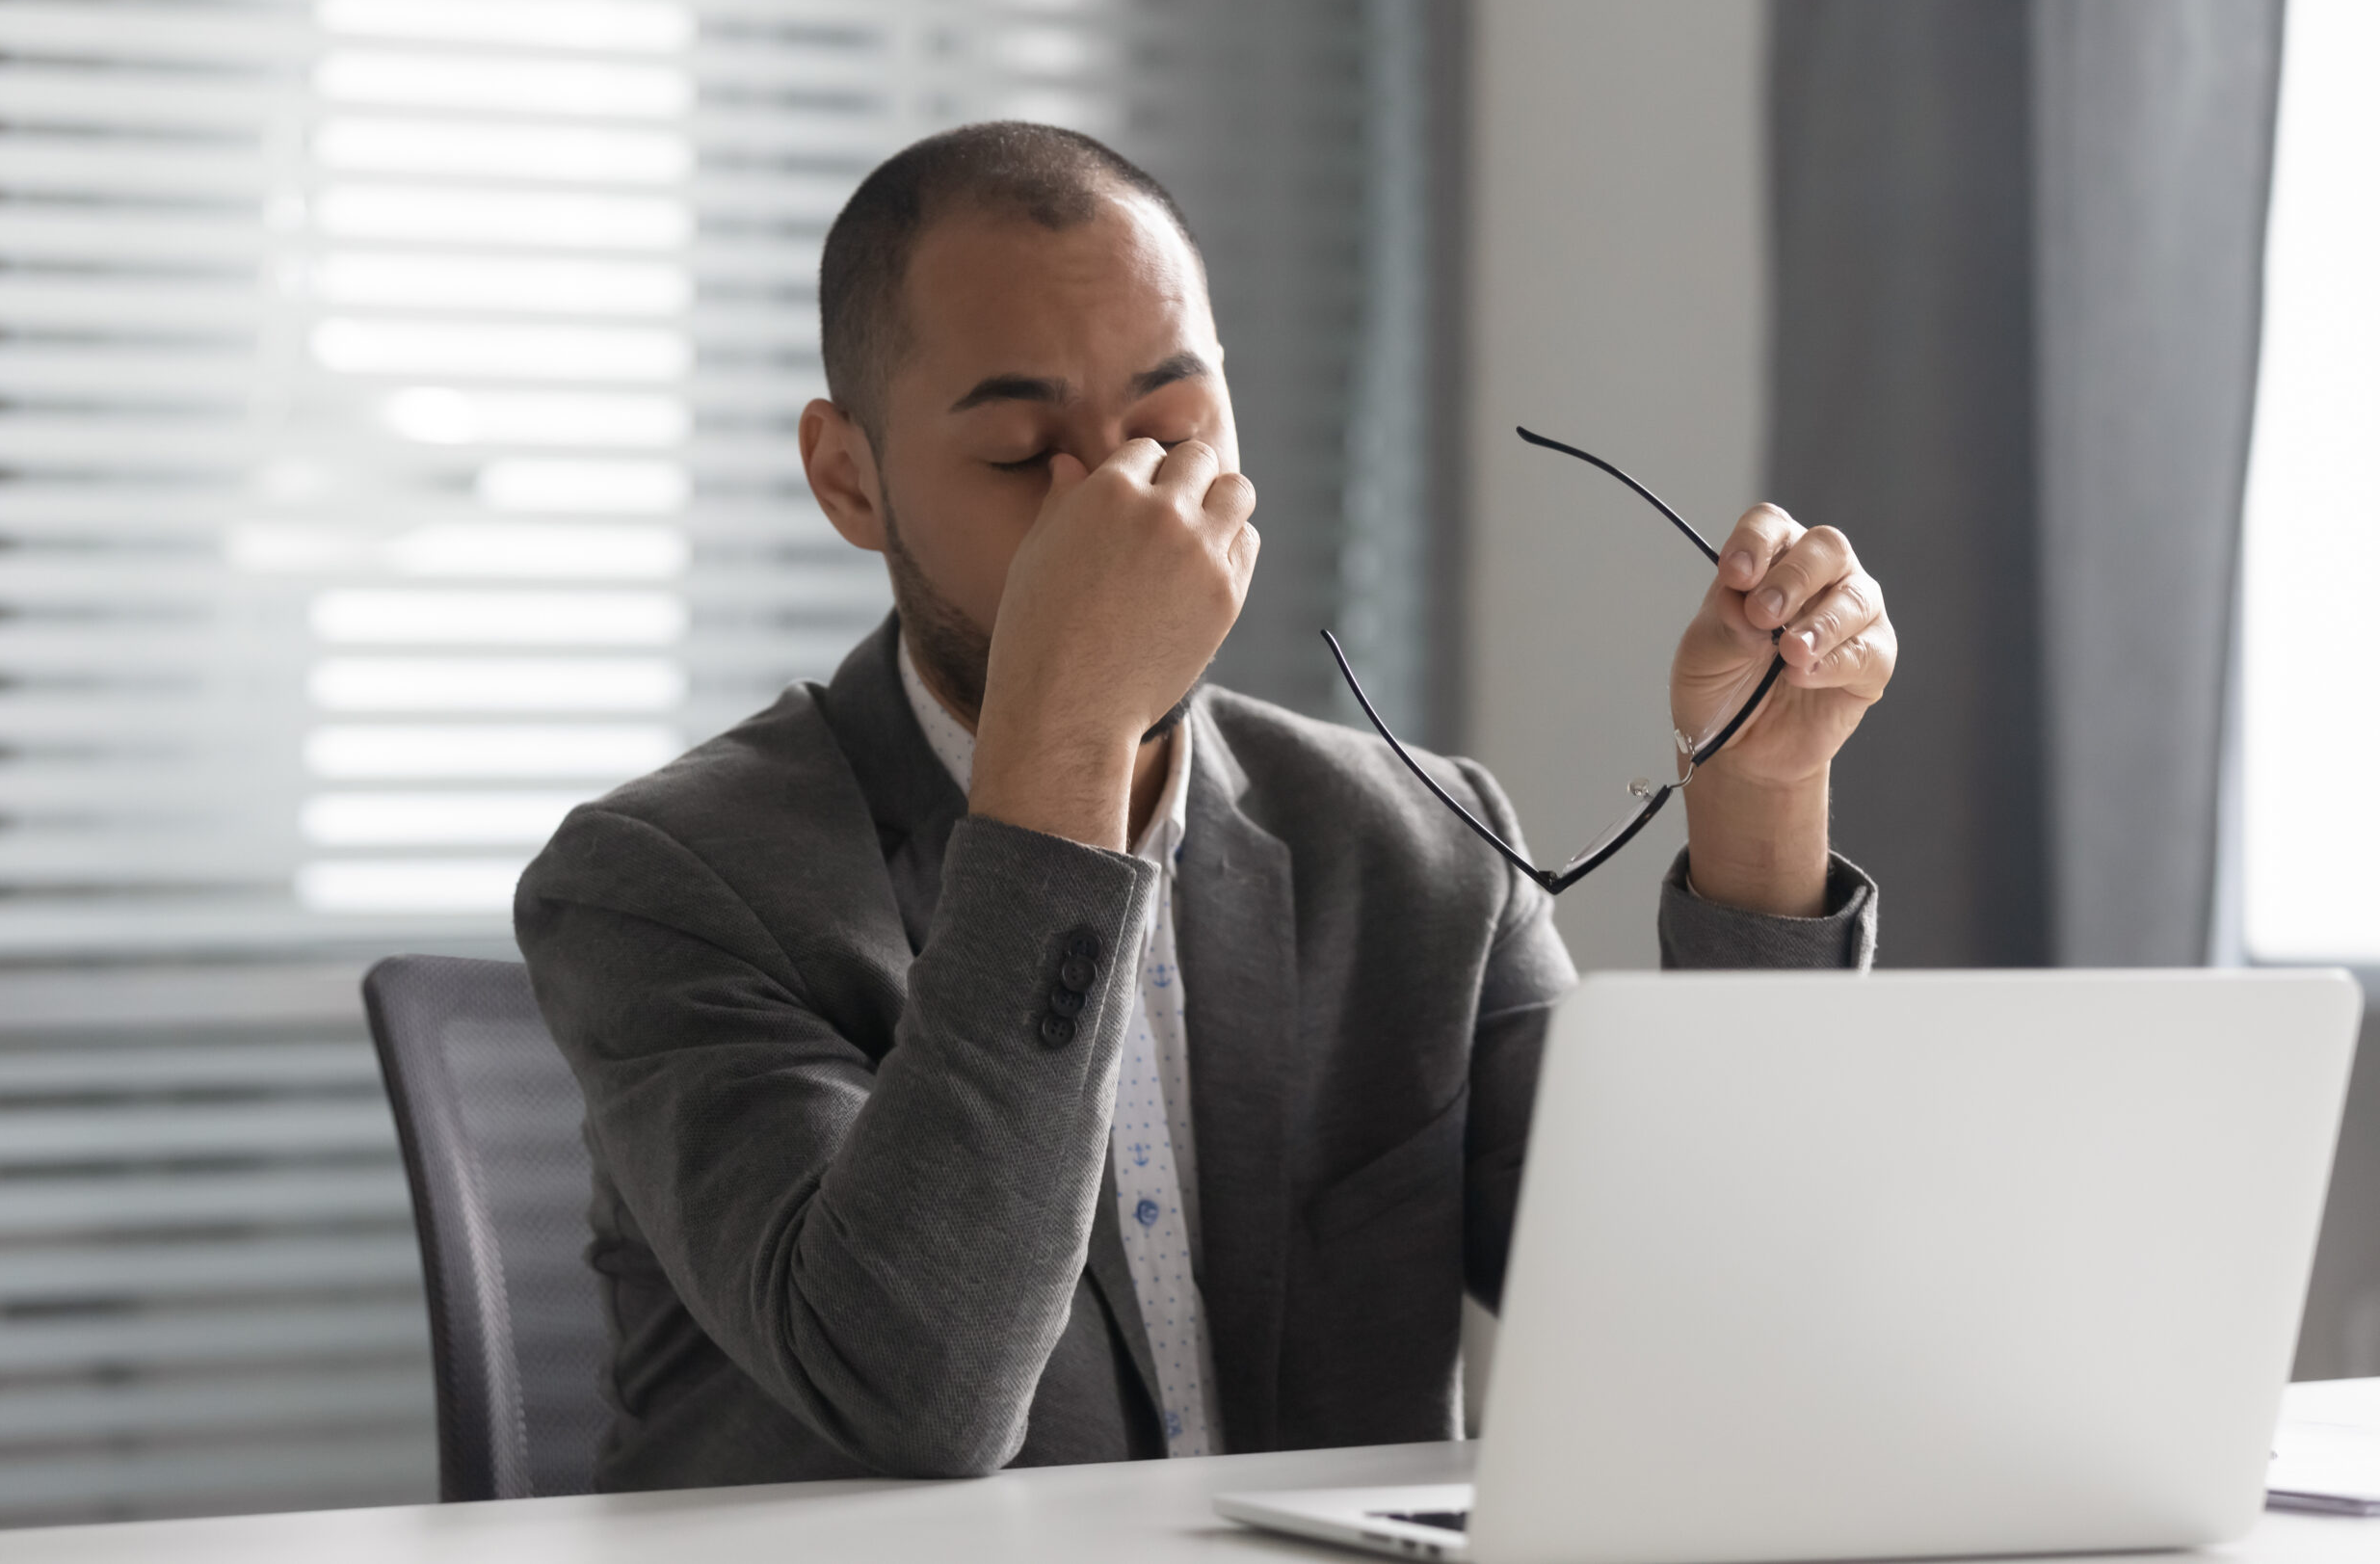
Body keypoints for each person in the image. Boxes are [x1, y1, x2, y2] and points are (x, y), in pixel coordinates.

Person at [516, 121, 1895, 1491]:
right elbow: (919, 1390)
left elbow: (1719, 1338)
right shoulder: (666, 881)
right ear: (848, 477)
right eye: (1020, 452)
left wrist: (1761, 804)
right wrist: (1068, 743)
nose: (1131, 504)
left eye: (1175, 426)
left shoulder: (1411, 854)